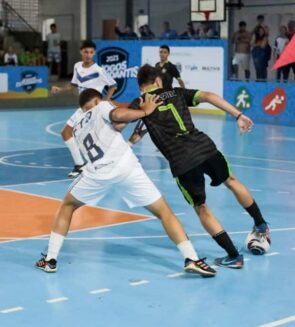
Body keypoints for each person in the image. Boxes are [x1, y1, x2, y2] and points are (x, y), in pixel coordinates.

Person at [36, 89, 216, 277]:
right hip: (126, 167)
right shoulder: (102, 106)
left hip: (98, 173)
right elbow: (118, 115)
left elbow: (114, 127)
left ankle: (50, 260)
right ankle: (191, 258)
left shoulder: (78, 129)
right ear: (97, 100)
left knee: (68, 205)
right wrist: (145, 111)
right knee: (164, 212)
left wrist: (130, 139)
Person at [128, 65, 271, 268]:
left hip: (182, 161)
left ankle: (234, 256)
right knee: (231, 181)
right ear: (158, 81)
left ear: (140, 86)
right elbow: (210, 96)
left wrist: (136, 124)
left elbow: (118, 122)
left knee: (201, 208)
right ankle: (261, 224)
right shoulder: (176, 92)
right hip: (204, 147)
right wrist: (238, 115)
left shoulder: (140, 103)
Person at [51, 40, 117, 178]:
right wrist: (60, 89)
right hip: (83, 109)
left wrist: (106, 100)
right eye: (86, 52)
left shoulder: (98, 70)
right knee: (66, 133)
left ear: (94, 53)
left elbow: (113, 85)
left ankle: (108, 165)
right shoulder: (77, 66)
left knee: (95, 138)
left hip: (94, 109)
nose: (88, 55)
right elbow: (73, 84)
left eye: (91, 52)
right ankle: (80, 165)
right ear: (81, 51)